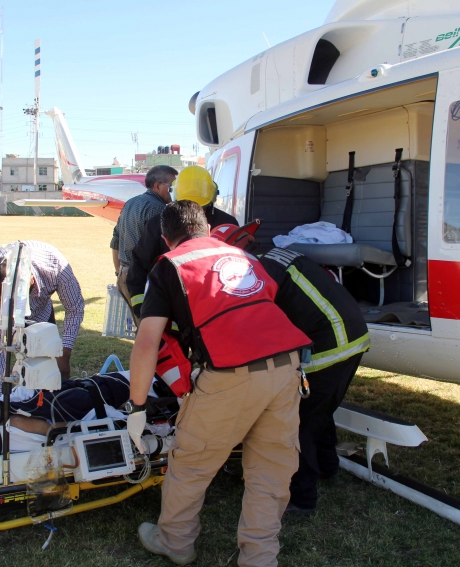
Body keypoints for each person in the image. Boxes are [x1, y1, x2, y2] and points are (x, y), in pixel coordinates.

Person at [126, 200, 312, 567]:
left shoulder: (169, 266)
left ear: (166, 239)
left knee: (192, 463)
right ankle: (259, 557)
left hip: (230, 371)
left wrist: (136, 406)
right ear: (208, 229)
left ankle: (175, 542)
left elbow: (148, 342)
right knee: (271, 470)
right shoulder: (244, 256)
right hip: (286, 367)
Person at [211, 223, 370, 515]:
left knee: (299, 421)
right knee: (320, 407)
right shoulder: (277, 256)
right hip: (353, 334)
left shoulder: (255, 273)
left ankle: (302, 497)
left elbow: (255, 325)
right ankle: (327, 467)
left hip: (331, 342)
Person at [126, 165, 238, 321]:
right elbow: (139, 265)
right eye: (187, 207)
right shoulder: (159, 223)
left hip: (215, 311)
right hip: (170, 313)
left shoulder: (227, 224)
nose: (195, 213)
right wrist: (142, 308)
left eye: (201, 208)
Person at [0, 240, 85, 392]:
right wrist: (3, 389)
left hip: (41, 317)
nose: (12, 305)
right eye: (3, 298)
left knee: (46, 375)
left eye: (15, 300)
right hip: (6, 324)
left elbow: (75, 308)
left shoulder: (55, 265)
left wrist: (65, 351)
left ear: (31, 281)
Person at [110, 164, 177, 307]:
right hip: (144, 278)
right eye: (172, 185)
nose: (175, 190)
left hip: (124, 273)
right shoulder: (159, 209)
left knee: (140, 325)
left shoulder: (130, 203)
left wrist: (119, 272)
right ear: (158, 186)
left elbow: (116, 240)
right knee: (151, 327)